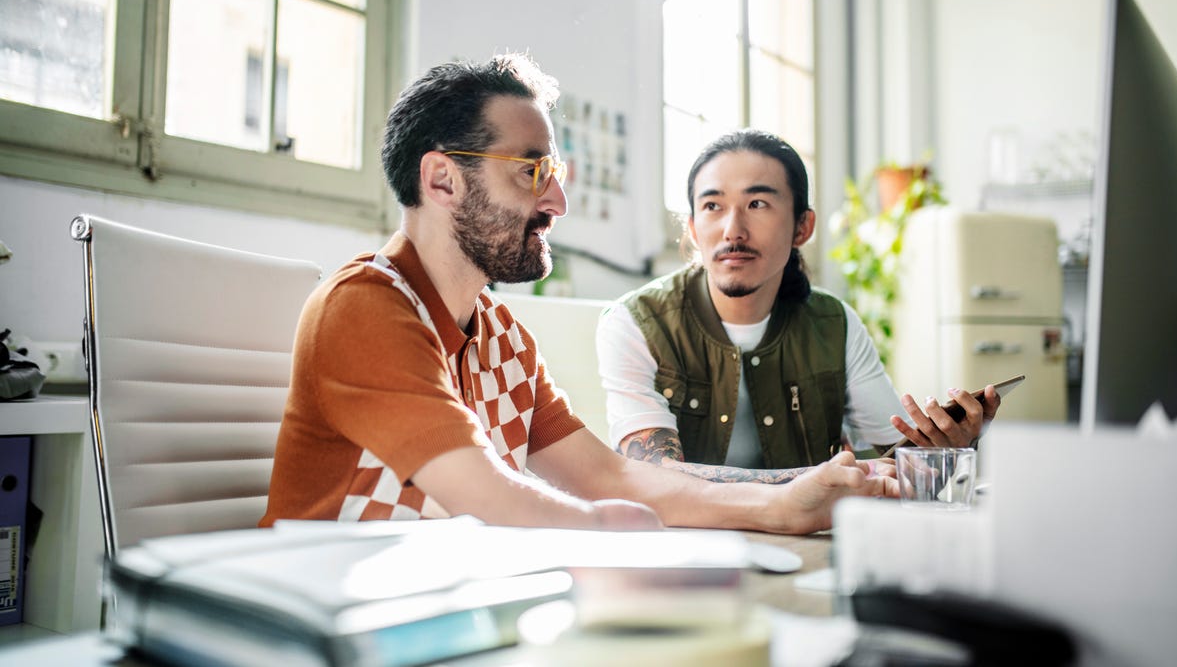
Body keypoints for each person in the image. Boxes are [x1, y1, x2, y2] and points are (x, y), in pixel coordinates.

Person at [260, 54, 897, 535]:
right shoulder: (365, 305)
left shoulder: (501, 333)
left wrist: (784, 505)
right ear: (442, 179)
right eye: (532, 171)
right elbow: (490, 499)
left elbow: (609, 475)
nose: (558, 202)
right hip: (313, 623)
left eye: (555, 174)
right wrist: (613, 535)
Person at [596, 129, 1001, 483]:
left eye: (757, 204)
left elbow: (899, 458)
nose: (732, 229)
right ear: (692, 229)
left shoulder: (834, 324)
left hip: (808, 545)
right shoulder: (635, 323)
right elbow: (653, 477)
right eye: (712, 206)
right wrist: (817, 482)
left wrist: (947, 450)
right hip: (688, 551)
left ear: (802, 227)